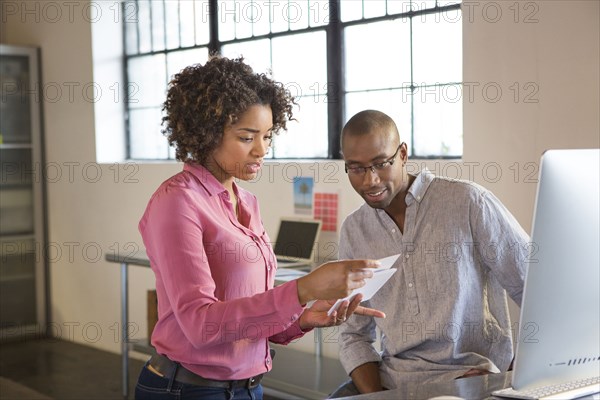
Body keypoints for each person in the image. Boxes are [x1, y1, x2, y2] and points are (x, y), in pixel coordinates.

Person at [135, 58, 385, 400]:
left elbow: (250, 314)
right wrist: (302, 288)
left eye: (267, 136)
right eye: (246, 137)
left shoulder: (246, 202)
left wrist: (301, 317)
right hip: (188, 389)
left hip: (248, 388)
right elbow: (200, 323)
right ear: (206, 132)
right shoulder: (177, 202)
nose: (262, 149)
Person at [333, 110, 530, 396]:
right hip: (394, 384)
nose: (370, 181)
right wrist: (379, 397)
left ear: (402, 154)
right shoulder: (354, 230)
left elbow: (537, 290)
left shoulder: (468, 203)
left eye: (380, 164)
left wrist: (515, 374)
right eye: (357, 168)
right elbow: (353, 334)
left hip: (470, 382)